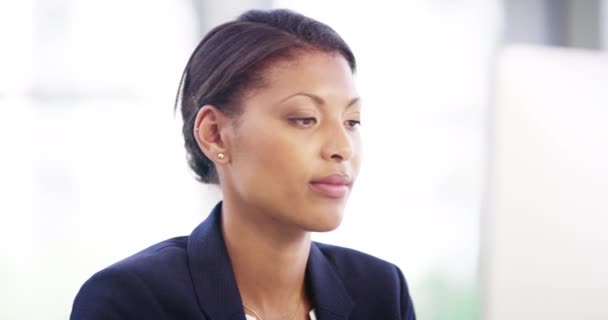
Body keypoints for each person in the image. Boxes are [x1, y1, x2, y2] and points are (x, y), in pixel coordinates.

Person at [70, 8, 416, 320]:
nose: (342, 147)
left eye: (352, 121)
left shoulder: (381, 291)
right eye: (304, 118)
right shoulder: (131, 300)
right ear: (215, 134)